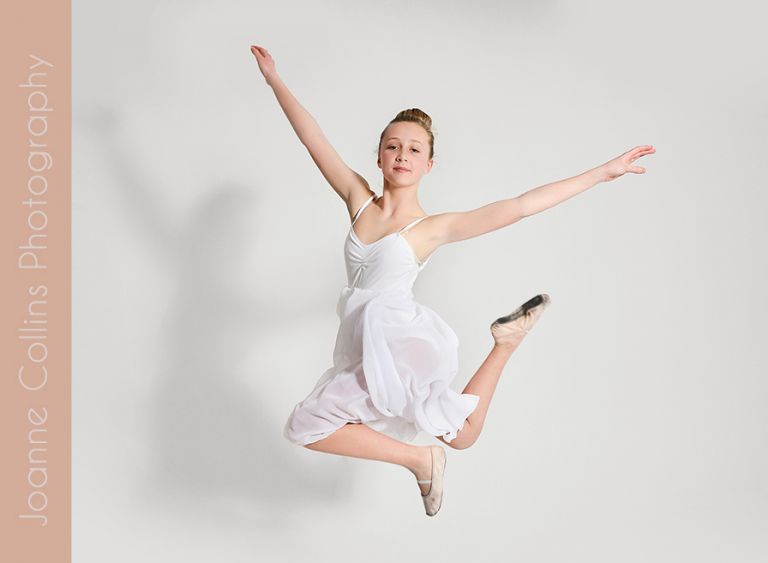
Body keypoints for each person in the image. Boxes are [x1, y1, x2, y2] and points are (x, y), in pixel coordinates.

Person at [250, 44, 655, 516]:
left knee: (308, 425)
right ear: (379, 156)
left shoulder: (430, 229)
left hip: (396, 341)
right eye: (393, 146)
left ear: (428, 165)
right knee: (462, 434)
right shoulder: (357, 198)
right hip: (365, 345)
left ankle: (423, 455)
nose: (403, 155)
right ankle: (503, 346)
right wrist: (275, 80)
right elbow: (312, 138)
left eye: (414, 149)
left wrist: (603, 174)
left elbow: (519, 206)